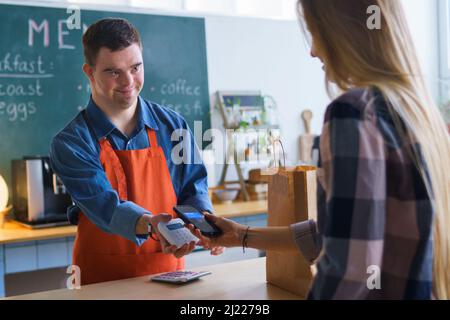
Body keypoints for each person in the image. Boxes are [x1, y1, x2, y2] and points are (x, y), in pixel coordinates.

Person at [189, 0, 450, 300]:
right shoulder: (418, 111)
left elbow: (350, 267)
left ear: (343, 32)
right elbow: (341, 233)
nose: (313, 51)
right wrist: (242, 235)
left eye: (317, 33)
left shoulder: (353, 112)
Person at [50, 18, 222, 285]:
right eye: (113, 72)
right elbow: (105, 206)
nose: (128, 81)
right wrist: (154, 224)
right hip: (102, 283)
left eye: (135, 67)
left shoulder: (173, 125)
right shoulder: (71, 142)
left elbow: (193, 187)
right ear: (89, 72)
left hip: (169, 275)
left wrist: (203, 227)